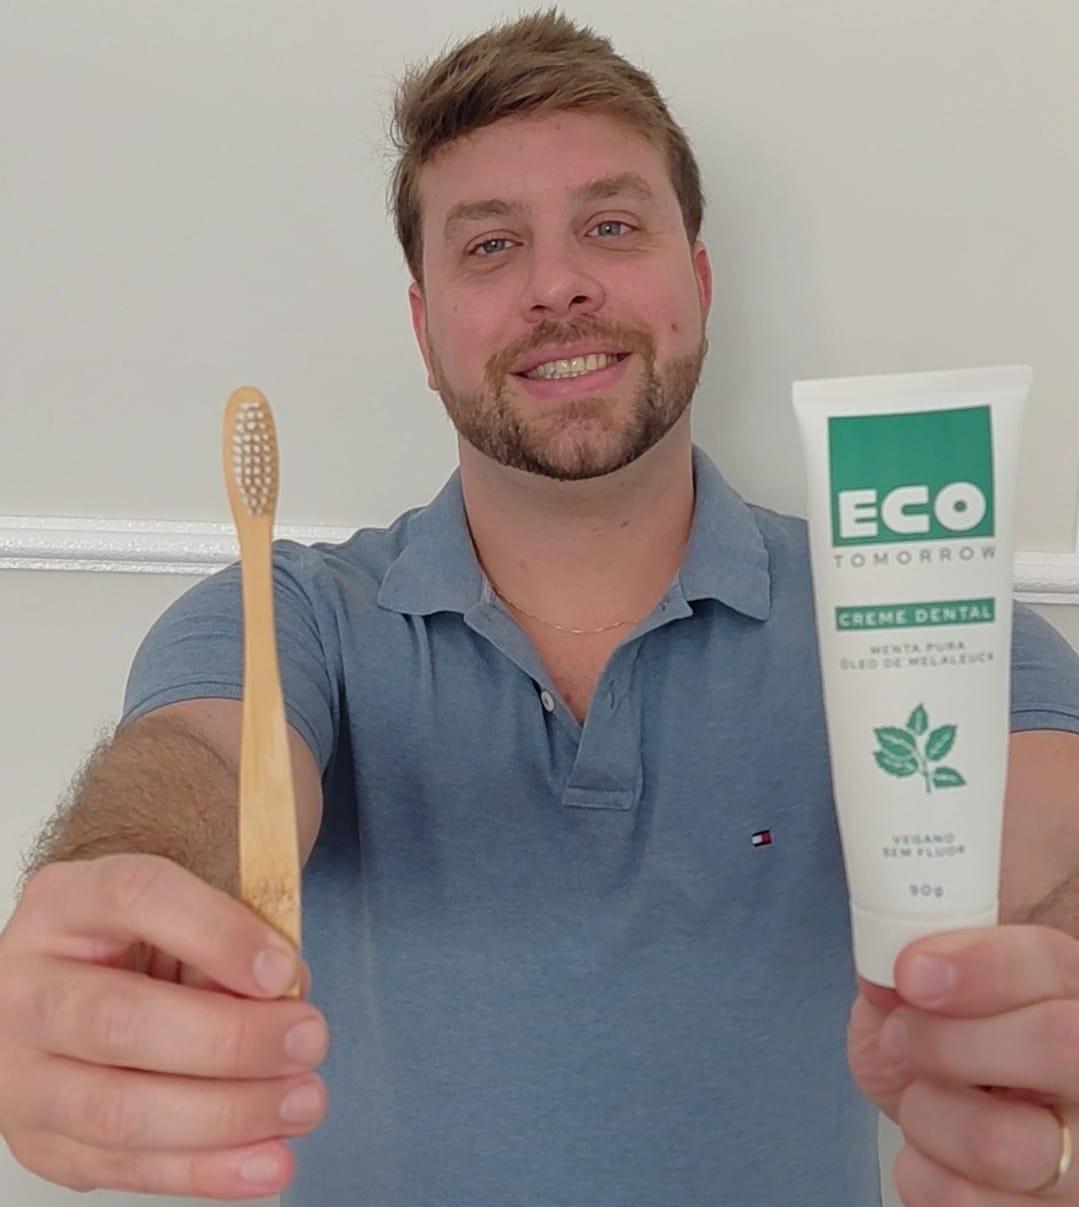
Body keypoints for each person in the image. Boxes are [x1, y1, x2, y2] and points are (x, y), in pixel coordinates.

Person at [3, 9, 1079, 1205]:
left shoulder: (910, 615)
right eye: (488, 246)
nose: (557, 284)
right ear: (423, 332)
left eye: (609, 226)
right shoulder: (288, 614)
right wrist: (111, 912)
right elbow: (189, 774)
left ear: (698, 285)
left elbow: (1049, 857)